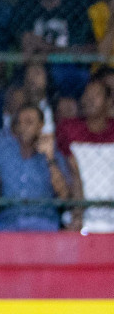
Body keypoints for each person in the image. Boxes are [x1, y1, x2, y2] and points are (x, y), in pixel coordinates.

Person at [0, 105, 71, 231]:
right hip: (8, 222)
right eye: (19, 123)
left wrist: (49, 159)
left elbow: (64, 195)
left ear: (41, 125)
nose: (23, 128)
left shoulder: (53, 154)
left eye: (29, 122)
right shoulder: (2, 150)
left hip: (44, 223)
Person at [60, 75, 114, 233]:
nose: (89, 99)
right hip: (80, 218)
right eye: (86, 94)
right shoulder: (68, 129)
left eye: (96, 95)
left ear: (109, 101)